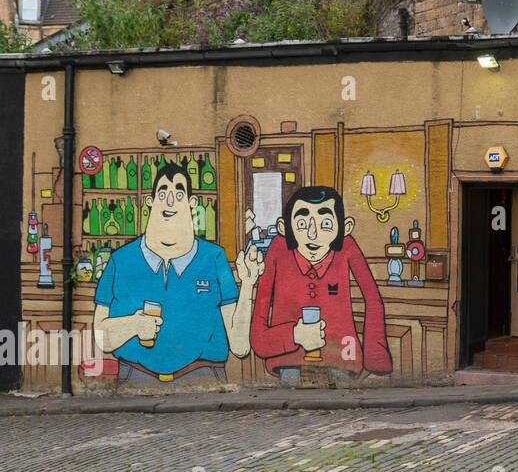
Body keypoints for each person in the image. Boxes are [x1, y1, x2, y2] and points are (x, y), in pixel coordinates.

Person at [93, 163, 261, 384]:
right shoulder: (120, 260)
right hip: (134, 378)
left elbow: (239, 346)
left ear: (191, 203)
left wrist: (248, 283)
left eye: (178, 193)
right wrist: (133, 324)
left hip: (205, 376)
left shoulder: (214, 258)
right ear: (150, 201)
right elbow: (100, 338)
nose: (170, 201)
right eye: (163, 193)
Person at [250, 185, 392, 381]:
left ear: (345, 227)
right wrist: (295, 335)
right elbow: (258, 334)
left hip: (341, 357)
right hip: (289, 362)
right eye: (301, 224)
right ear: (284, 228)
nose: (312, 234)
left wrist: (376, 359)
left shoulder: (346, 246)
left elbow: (373, 299)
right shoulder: (278, 249)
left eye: (325, 223)